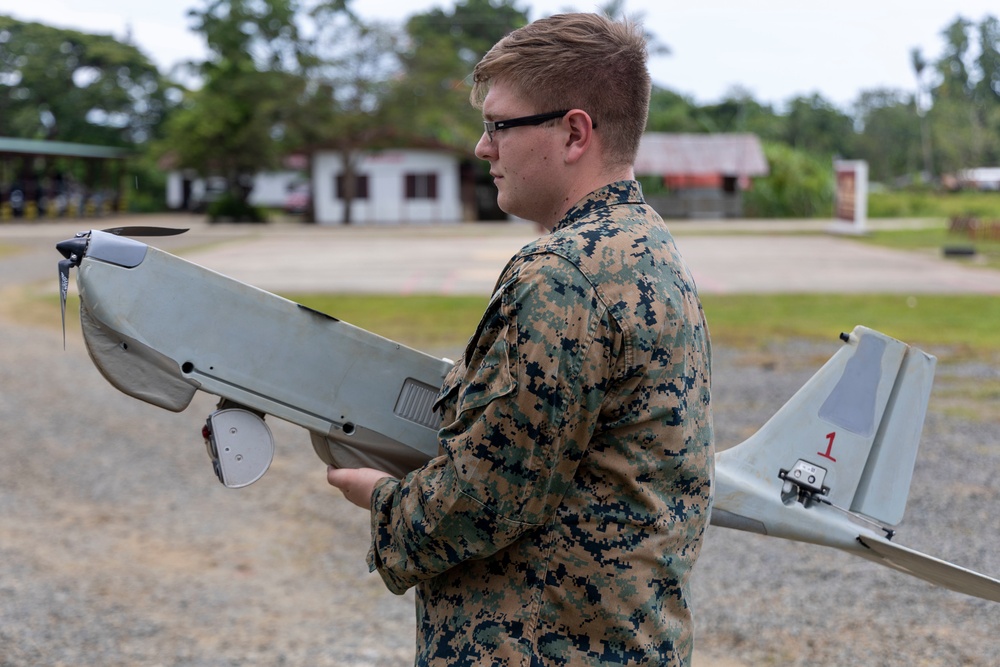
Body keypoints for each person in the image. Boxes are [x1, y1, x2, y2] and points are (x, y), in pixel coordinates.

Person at [327, 12, 714, 667]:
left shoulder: (563, 272)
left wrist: (379, 496)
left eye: (499, 125)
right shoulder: (645, 243)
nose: (483, 147)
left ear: (573, 132)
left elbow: (492, 494)